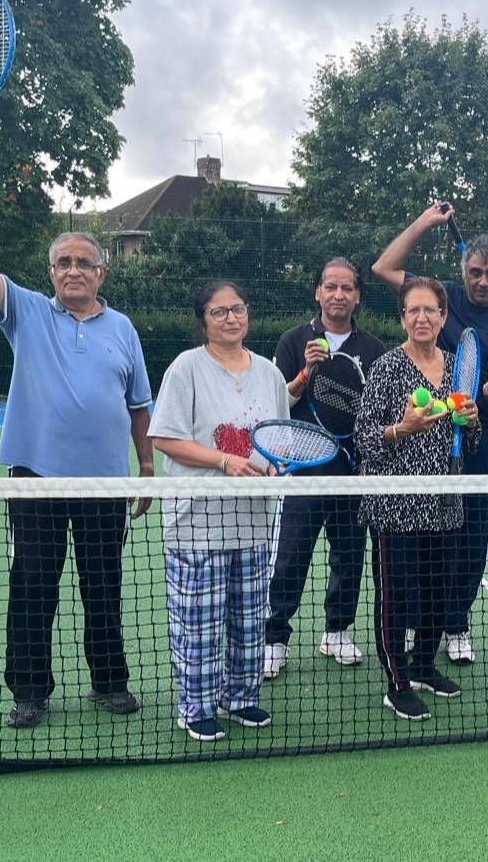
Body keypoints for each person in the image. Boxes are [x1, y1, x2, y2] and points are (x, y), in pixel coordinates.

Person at [0, 166, 154, 728]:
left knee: (103, 586)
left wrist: (145, 466)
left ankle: (110, 681)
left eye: (83, 262)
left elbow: (138, 403)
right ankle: (29, 691)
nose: (73, 270)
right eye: (63, 262)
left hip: (105, 483)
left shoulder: (123, 328)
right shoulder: (25, 311)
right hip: (37, 476)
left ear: (101, 271)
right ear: (51, 272)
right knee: (32, 587)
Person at [372, 203, 488, 664]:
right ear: (464, 271)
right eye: (476, 272)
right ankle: (418, 624)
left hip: (483, 439)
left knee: (471, 535)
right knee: (427, 534)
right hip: (429, 437)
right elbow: (384, 267)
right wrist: (425, 222)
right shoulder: (442, 299)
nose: (483, 280)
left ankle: (455, 624)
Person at [148, 281, 288, 741]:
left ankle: (241, 698)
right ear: (204, 320)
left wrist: (275, 468)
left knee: (249, 620)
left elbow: (278, 440)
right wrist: (224, 460)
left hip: (252, 523)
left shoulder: (268, 372)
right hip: (197, 523)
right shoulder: (186, 368)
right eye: (219, 311)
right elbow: (165, 438)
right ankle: (196, 707)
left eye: (238, 309)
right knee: (198, 623)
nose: (231, 318)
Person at [353, 277, 481, 721]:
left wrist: (472, 420)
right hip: (394, 504)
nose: (422, 318)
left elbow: (471, 441)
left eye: (431, 310)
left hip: (446, 501)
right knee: (394, 594)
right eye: (413, 310)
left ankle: (425, 665)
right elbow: (363, 439)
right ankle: (398, 682)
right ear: (403, 317)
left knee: (438, 591)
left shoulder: (455, 367)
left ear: (444, 317)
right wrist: (400, 429)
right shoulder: (387, 368)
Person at [264, 258, 387, 677]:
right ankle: (275, 637)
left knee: (349, 557)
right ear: (317, 292)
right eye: (330, 287)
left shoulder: (373, 350)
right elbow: (278, 406)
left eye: (347, 288)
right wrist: (304, 373)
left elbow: (379, 413)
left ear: (357, 296)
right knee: (289, 560)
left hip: (353, 475)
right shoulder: (292, 340)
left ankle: (337, 630)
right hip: (301, 475)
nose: (338, 295)